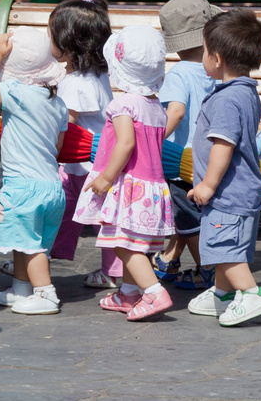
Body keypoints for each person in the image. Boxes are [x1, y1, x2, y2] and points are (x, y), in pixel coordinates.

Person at [73, 25, 175, 321]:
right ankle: (128, 292)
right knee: (136, 245)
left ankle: (154, 292)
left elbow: (126, 143)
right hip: (152, 187)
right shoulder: (156, 106)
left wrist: (105, 178)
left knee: (123, 245)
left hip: (130, 187)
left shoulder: (122, 105)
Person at [184, 9, 261, 327]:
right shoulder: (245, 92)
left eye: (206, 52)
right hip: (241, 191)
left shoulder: (226, 100)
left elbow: (223, 145)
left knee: (226, 249)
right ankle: (222, 293)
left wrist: (208, 184)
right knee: (225, 245)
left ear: (217, 58)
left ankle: (251, 293)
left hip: (227, 193)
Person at [0, 27, 70, 315]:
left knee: (31, 247)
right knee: (23, 240)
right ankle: (21, 289)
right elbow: (58, 144)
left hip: (23, 187)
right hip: (52, 187)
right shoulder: (58, 103)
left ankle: (46, 294)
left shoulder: (16, 93)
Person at [48, 0, 119, 290]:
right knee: (84, 216)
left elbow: (68, 125)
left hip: (82, 167)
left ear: (66, 44)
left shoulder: (75, 84)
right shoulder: (98, 74)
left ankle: (37, 260)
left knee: (77, 217)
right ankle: (110, 271)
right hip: (93, 165)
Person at [154, 0, 220, 290]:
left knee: (188, 219)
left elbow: (176, 111)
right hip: (211, 156)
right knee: (195, 216)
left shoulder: (178, 73)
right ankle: (169, 259)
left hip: (181, 162)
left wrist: (153, 140)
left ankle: (209, 272)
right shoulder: (216, 70)